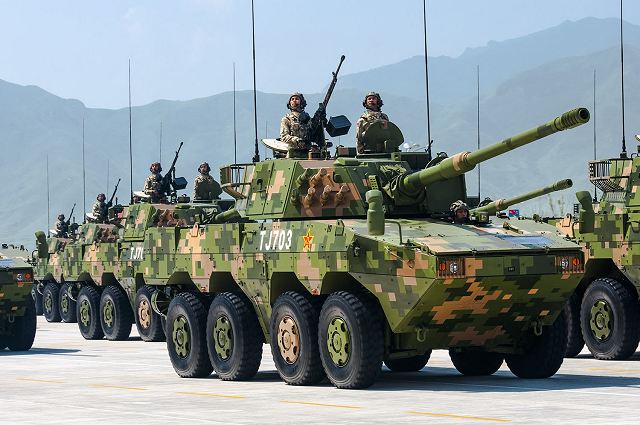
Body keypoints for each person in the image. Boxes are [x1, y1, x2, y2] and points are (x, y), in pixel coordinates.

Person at [279, 92, 324, 158]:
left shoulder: (307, 118)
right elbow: (284, 136)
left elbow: (313, 132)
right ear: (289, 103)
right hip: (293, 154)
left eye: (297, 99)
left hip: (309, 153)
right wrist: (296, 140)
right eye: (292, 99)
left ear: (302, 102)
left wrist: (319, 118)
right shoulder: (286, 119)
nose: (294, 100)